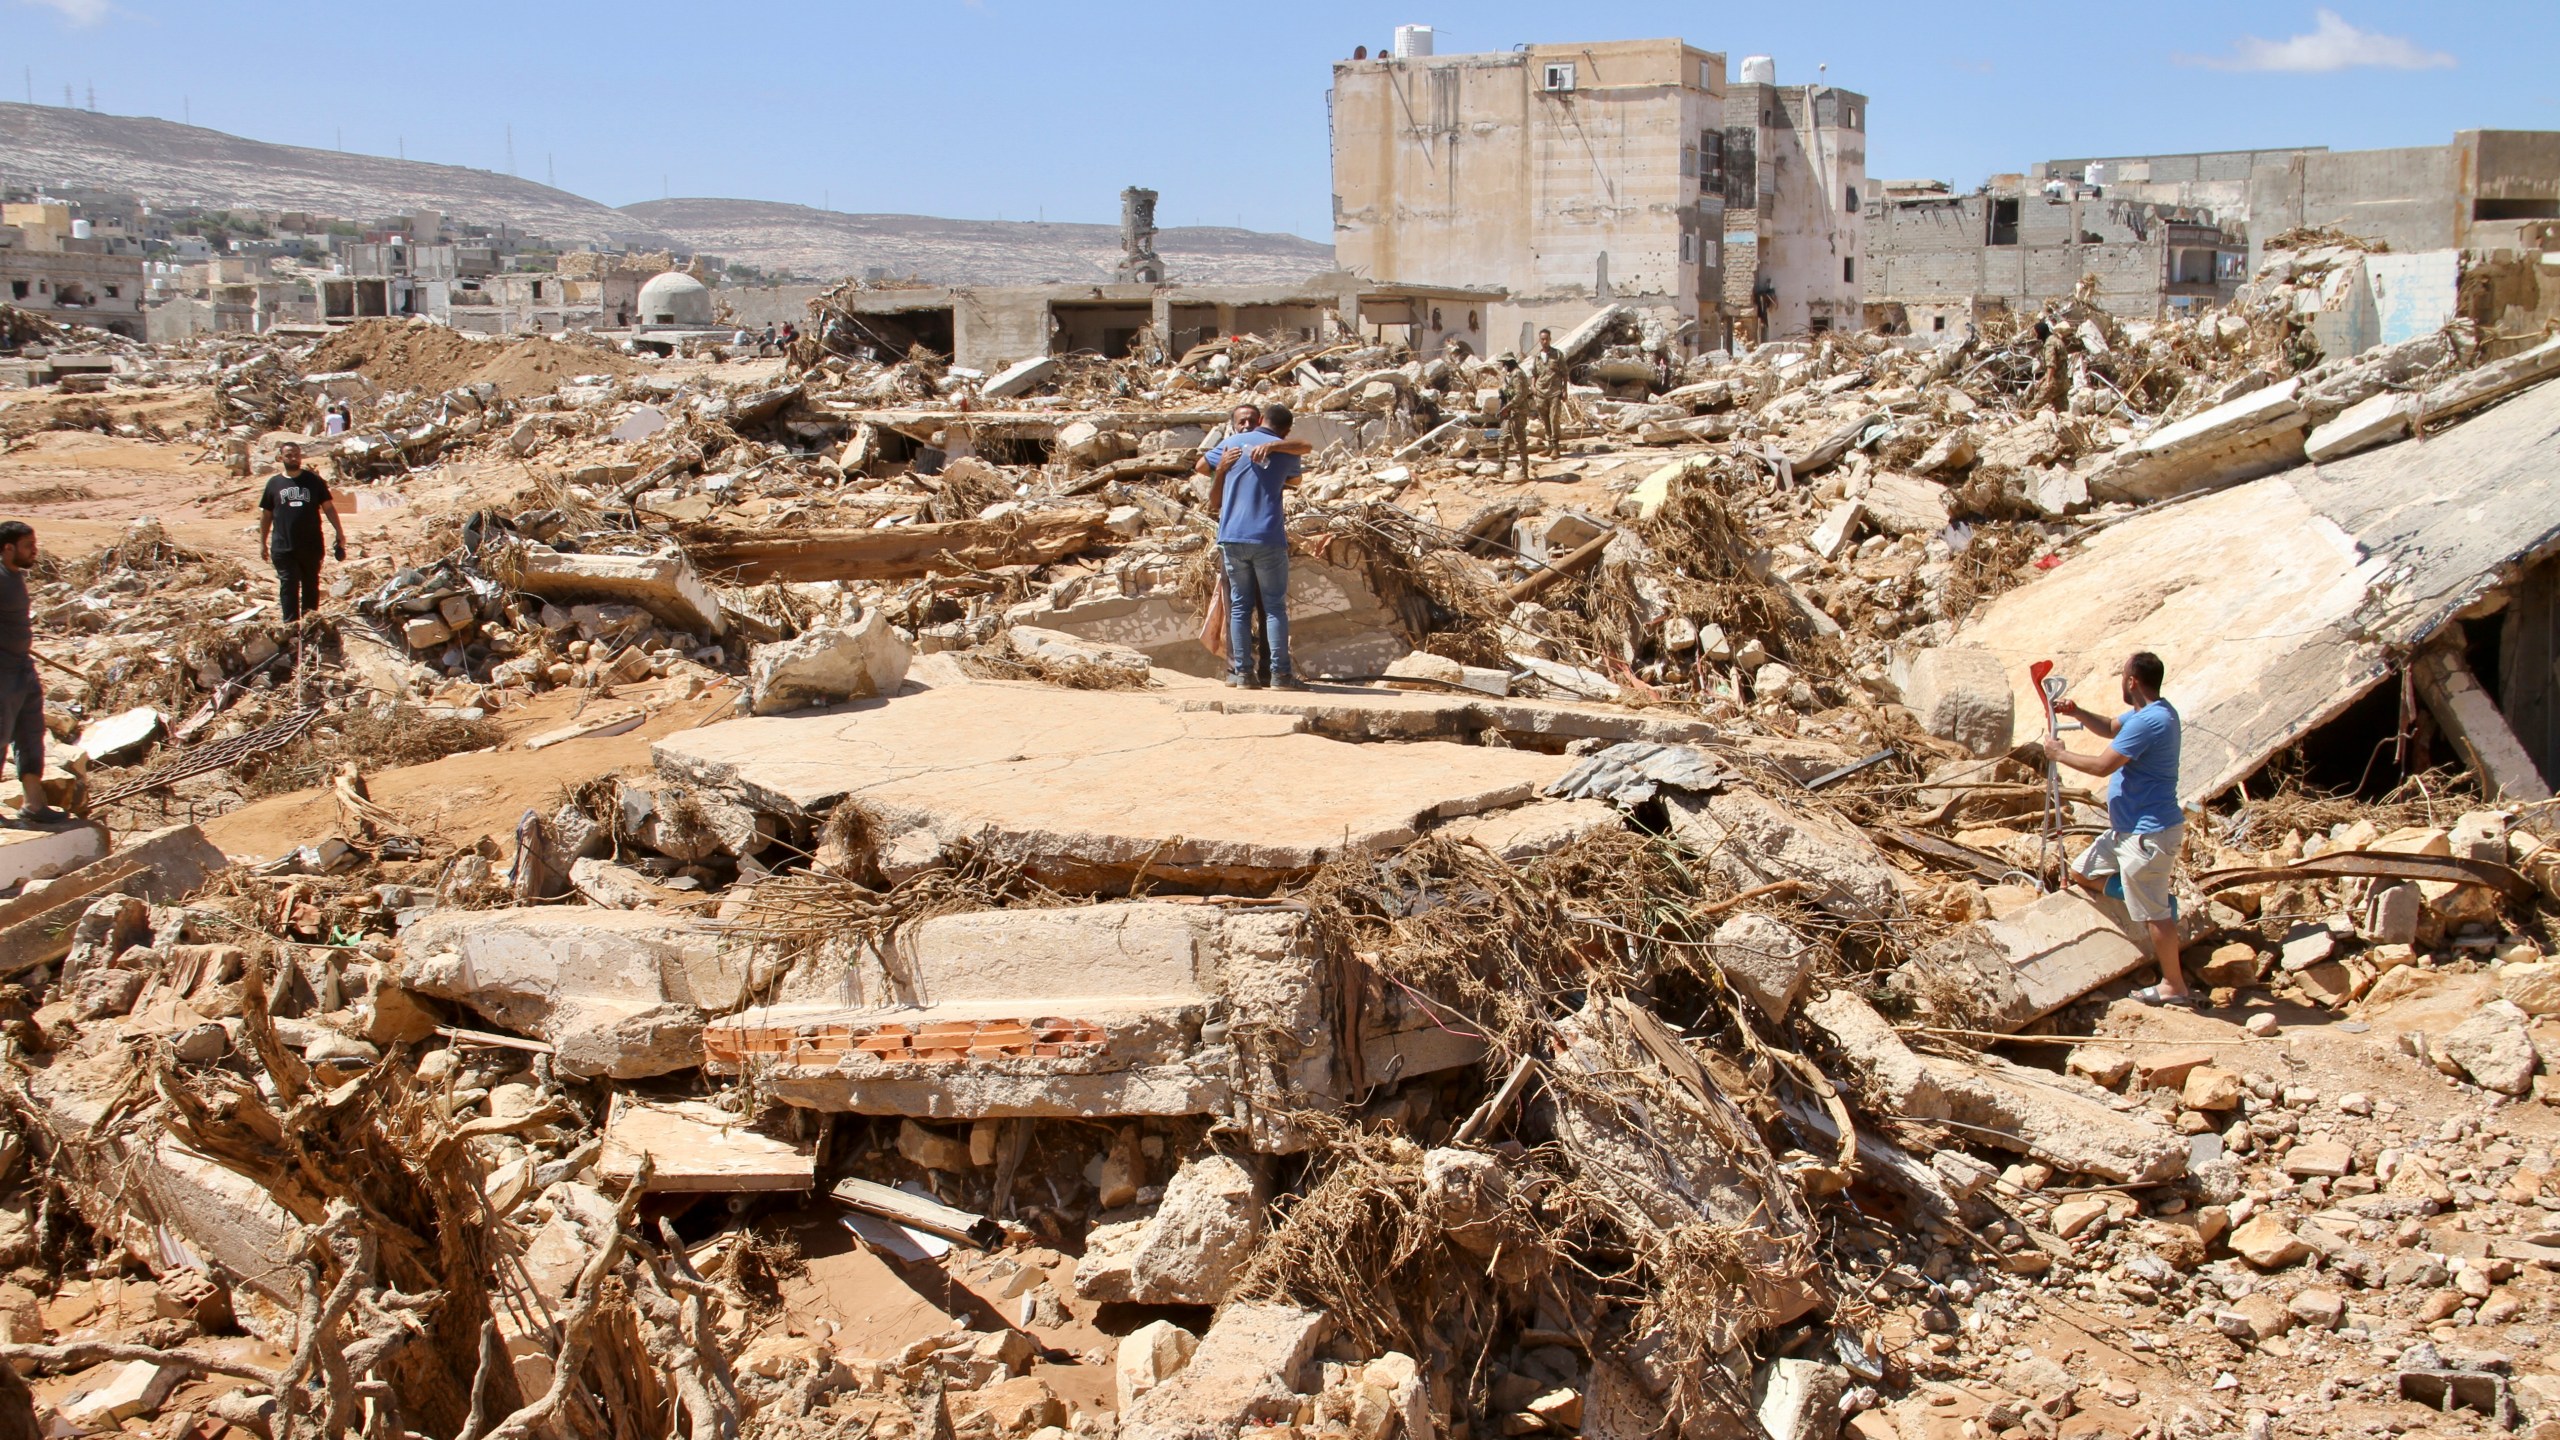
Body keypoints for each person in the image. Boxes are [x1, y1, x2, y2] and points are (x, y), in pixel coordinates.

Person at [2034, 651, 2190, 1005]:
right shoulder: (2146, 714)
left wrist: (2058, 754)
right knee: (2082, 872)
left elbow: (2104, 766)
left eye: (2123, 675)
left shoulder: (2151, 721)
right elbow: (2109, 727)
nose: (2121, 680)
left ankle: (2174, 986)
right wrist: (2076, 712)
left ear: (2132, 680)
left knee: (2154, 914)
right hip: (2127, 832)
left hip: (2146, 834)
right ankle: (2152, 899)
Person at [1200, 404, 1311, 689]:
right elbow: (1296, 478)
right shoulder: (1287, 450)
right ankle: (1279, 675)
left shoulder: (1231, 444)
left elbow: (1201, 466)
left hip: (1232, 537)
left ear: (1260, 419)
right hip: (1267, 537)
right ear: (1286, 430)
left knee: (1239, 607)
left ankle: (1243, 675)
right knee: (1273, 608)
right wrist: (1277, 449)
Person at [0, 523, 63, 825]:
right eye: (27, 544)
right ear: (8, 548)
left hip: (21, 667)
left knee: (30, 731)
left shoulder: (14, 577)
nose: (34, 550)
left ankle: (34, 804)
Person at [257, 443, 347, 627]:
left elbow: (328, 507)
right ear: (281, 457)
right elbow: (266, 515)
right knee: (288, 585)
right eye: (289, 455)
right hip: (283, 546)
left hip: (311, 545)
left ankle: (309, 624)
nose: (294, 458)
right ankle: (290, 626)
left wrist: (339, 532)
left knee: (310, 584)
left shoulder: (313, 481)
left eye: (297, 454)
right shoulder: (274, 484)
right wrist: (262, 543)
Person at [1528, 328, 1569, 458]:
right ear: (1539, 340)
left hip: (1554, 392)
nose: (1544, 341)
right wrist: (1533, 386)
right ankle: (1549, 446)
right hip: (1540, 393)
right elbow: (1534, 374)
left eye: (1546, 339)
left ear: (1550, 339)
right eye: (1542, 339)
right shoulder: (1537, 357)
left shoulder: (1557, 355)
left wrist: (1564, 390)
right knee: (1545, 420)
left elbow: (1564, 373)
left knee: (1554, 419)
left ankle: (1556, 447)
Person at [1495, 354, 1532, 480]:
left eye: (1504, 363)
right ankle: (1501, 466)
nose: (1503, 366)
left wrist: (1507, 407)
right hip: (1511, 413)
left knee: (1520, 442)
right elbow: (1509, 392)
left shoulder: (1517, 374)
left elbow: (1520, 395)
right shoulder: (1509, 375)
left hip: (1518, 412)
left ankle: (1525, 471)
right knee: (1503, 439)